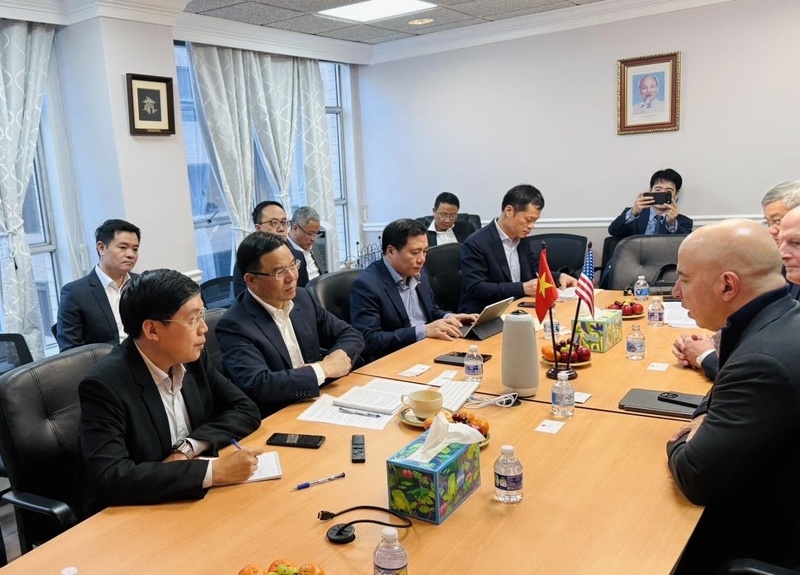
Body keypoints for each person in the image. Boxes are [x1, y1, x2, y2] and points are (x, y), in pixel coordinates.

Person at [665, 219, 800, 574]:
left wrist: (679, 438)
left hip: (768, 540)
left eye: (685, 279)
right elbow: (722, 387)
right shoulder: (781, 317)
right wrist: (704, 417)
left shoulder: (762, 359)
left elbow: (694, 476)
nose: (676, 291)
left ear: (727, 286)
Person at [78, 269, 262, 517]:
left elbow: (246, 409)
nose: (204, 328)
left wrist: (187, 448)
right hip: (137, 514)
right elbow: (111, 477)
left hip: (190, 502)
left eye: (202, 315)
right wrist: (214, 472)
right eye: (193, 319)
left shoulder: (193, 359)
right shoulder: (104, 385)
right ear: (152, 330)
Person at [216, 232, 364, 417]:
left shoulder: (302, 298)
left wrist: (335, 359)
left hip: (321, 400)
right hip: (278, 415)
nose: (292, 277)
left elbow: (350, 334)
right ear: (251, 280)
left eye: (293, 265)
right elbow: (259, 384)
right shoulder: (234, 325)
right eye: (279, 272)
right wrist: (322, 369)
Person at [672, 180, 800, 379]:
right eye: (770, 223)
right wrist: (721, 340)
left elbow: (765, 366)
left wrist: (705, 356)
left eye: (778, 221)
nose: (773, 231)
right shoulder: (789, 269)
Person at [350, 219, 478, 363]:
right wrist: (423, 331)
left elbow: (430, 310)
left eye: (425, 251)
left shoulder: (419, 271)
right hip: (395, 359)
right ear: (391, 251)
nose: (422, 259)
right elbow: (369, 340)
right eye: (415, 252)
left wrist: (450, 317)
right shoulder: (366, 285)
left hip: (428, 348)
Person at [459, 184, 577, 314]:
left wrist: (559, 277)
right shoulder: (476, 243)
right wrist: (522, 288)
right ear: (509, 211)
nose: (532, 226)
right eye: (528, 220)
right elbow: (476, 288)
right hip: (485, 315)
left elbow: (534, 270)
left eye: (535, 221)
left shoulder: (521, 239)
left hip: (518, 308)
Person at [56, 219, 141, 351]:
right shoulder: (75, 293)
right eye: (123, 247)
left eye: (135, 249)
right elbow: (70, 352)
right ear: (101, 248)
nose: (131, 255)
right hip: (105, 362)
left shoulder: (142, 283)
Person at [233, 201, 308, 295]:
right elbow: (244, 301)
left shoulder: (297, 256)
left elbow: (304, 295)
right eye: (274, 223)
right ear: (258, 228)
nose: (281, 228)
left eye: (284, 222)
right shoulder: (248, 261)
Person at [608, 168, 692, 239]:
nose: (662, 194)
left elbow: (686, 245)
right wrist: (633, 213)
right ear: (650, 190)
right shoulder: (633, 214)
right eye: (658, 190)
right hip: (633, 253)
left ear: (676, 195)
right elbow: (613, 231)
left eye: (668, 191)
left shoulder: (684, 222)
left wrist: (671, 224)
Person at [287, 206, 326, 282]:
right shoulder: (284, 251)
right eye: (310, 234)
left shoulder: (312, 246)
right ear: (295, 229)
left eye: (316, 234)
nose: (313, 239)